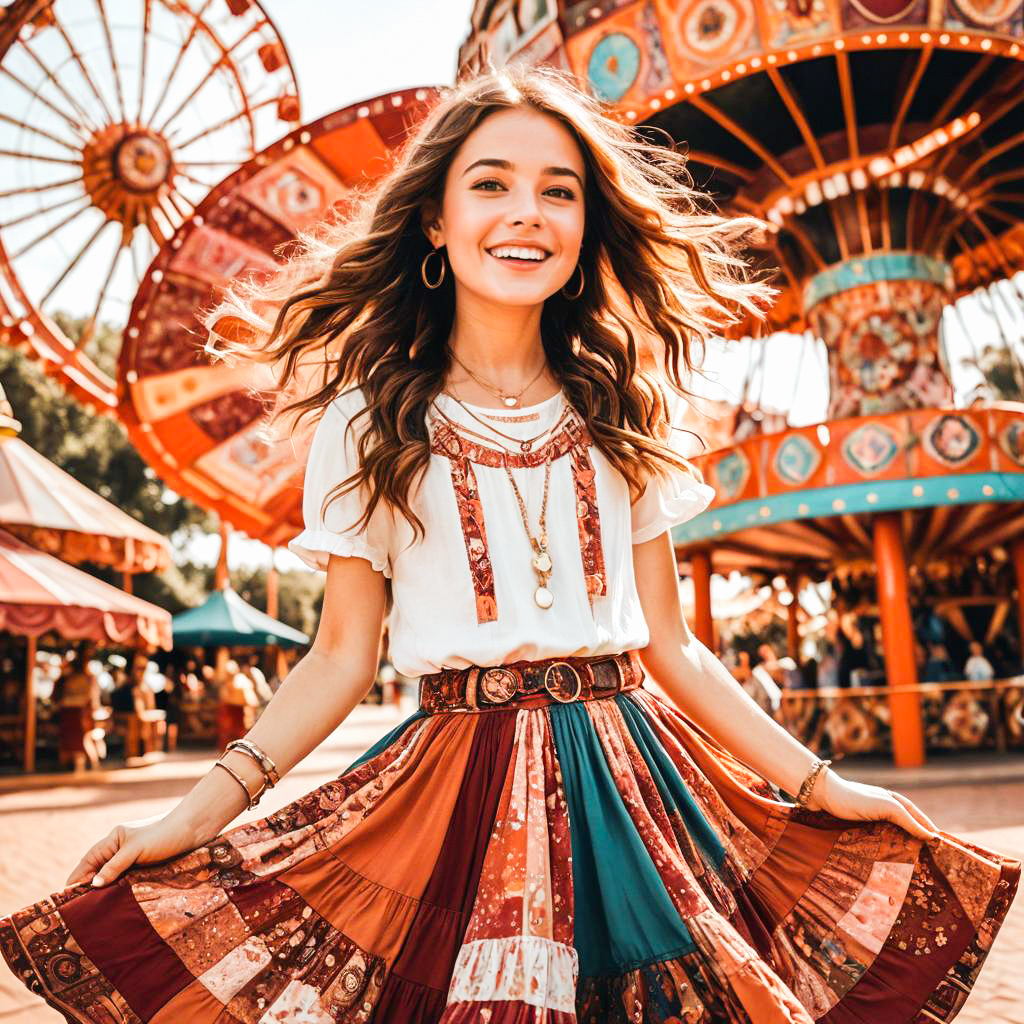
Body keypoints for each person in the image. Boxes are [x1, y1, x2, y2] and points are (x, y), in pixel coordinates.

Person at [2, 66, 1017, 1024]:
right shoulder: (371, 420)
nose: (528, 211)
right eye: (491, 184)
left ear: (586, 224)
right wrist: (202, 806)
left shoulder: (626, 408)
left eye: (559, 190)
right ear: (436, 221)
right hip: (455, 788)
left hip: (639, 783)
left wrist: (817, 782)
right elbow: (342, 654)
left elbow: (673, 644)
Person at [52, 641, 104, 772]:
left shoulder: (74, 676)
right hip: (77, 711)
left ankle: (84, 766)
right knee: (81, 740)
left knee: (81, 740)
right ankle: (86, 766)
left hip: (76, 711)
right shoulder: (81, 676)